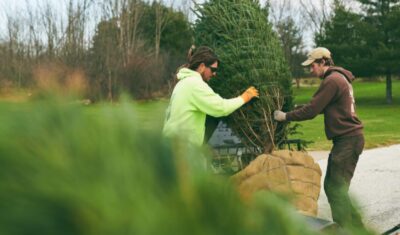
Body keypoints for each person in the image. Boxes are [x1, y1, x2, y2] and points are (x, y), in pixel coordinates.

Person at [274, 47, 365, 228]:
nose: (310, 70)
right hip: (347, 140)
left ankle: (347, 231)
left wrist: (285, 116)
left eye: (312, 66)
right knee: (334, 187)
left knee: (336, 189)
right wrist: (298, 108)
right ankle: (357, 230)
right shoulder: (339, 78)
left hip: (348, 140)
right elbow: (318, 105)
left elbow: (312, 110)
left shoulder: (332, 80)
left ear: (323, 62)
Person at [163, 46, 259, 146]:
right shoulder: (195, 85)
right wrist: (244, 97)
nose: (214, 74)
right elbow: (221, 107)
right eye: (213, 69)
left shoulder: (182, 82)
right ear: (202, 67)